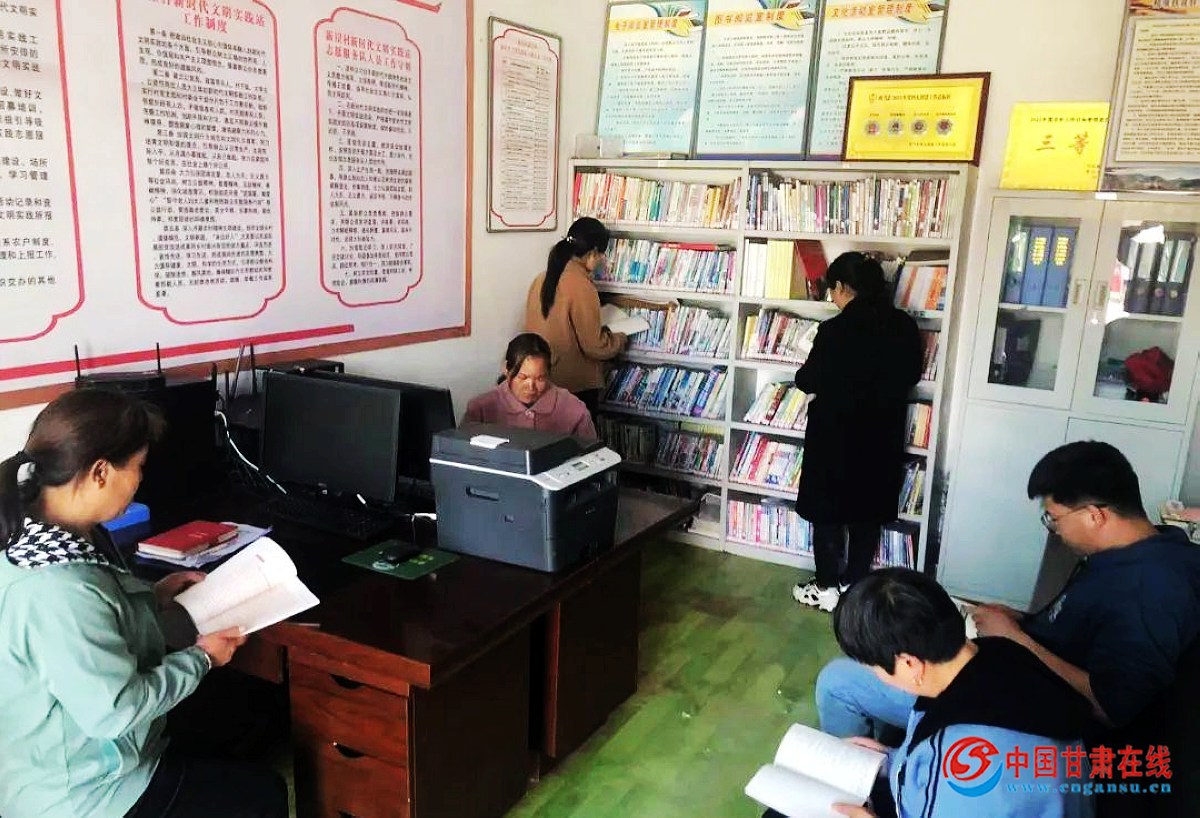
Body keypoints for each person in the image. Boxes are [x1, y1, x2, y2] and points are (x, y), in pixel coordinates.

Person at [0, 389, 288, 818]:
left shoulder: (36, 530)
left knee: (243, 719)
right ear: (100, 471)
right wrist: (202, 659)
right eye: (137, 466)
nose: (139, 481)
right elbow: (116, 712)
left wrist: (152, 595)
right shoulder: (57, 590)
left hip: (58, 757)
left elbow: (89, 625)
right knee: (264, 793)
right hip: (85, 793)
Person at [815, 442, 1200, 752]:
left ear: (1095, 515)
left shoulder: (1153, 589)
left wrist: (1016, 639)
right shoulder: (1151, 548)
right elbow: (1080, 629)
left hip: (1037, 714)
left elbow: (1111, 707)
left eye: (1054, 518)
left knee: (839, 680)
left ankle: (857, 778)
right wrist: (1019, 622)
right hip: (1013, 670)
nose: (1053, 530)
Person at [825, 569, 1094, 818]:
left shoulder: (961, 766)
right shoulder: (1000, 650)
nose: (876, 677)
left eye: (873, 668)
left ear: (909, 664)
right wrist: (894, 761)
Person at [792, 252, 923, 612]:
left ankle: (825, 587)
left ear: (842, 287)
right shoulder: (904, 326)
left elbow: (808, 380)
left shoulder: (834, 331)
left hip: (835, 436)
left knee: (827, 513)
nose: (832, 297)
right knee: (868, 512)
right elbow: (911, 374)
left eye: (832, 290)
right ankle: (855, 583)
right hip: (881, 435)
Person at [525, 217, 627, 415]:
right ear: (593, 252)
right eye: (602, 255)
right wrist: (618, 339)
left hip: (543, 379)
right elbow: (594, 346)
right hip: (575, 385)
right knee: (581, 434)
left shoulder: (541, 278)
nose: (602, 261)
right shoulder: (581, 285)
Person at [462, 332, 597, 438]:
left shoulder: (573, 409)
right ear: (506, 369)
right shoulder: (481, 408)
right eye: (522, 377)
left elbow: (591, 456)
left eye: (540, 378)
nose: (531, 387)